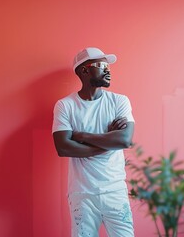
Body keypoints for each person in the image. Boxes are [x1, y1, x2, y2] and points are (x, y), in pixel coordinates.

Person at [52, 47, 135, 237]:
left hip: (115, 190)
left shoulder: (119, 101)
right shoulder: (65, 105)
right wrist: (107, 144)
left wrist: (81, 136)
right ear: (84, 71)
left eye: (108, 66)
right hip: (82, 193)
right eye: (100, 65)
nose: (108, 70)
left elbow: (124, 140)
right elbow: (63, 147)